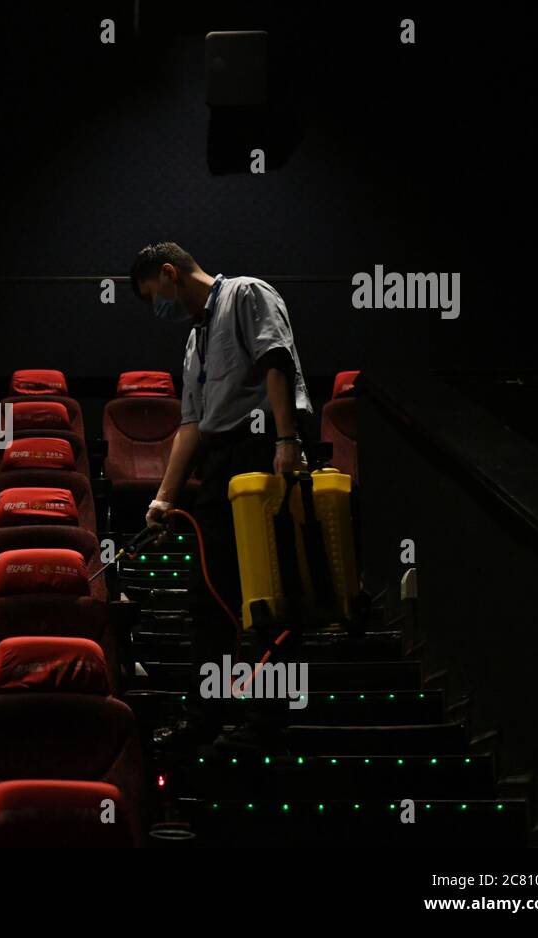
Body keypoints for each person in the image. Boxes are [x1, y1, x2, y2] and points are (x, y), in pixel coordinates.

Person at [130, 241, 312, 744]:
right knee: (208, 595)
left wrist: (285, 439)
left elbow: (277, 361)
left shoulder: (247, 294)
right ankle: (206, 717)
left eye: (154, 297)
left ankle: (269, 721)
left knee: (269, 593)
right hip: (219, 464)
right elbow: (191, 425)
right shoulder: (194, 343)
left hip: (261, 452)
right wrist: (164, 498)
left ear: (169, 273)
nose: (158, 310)